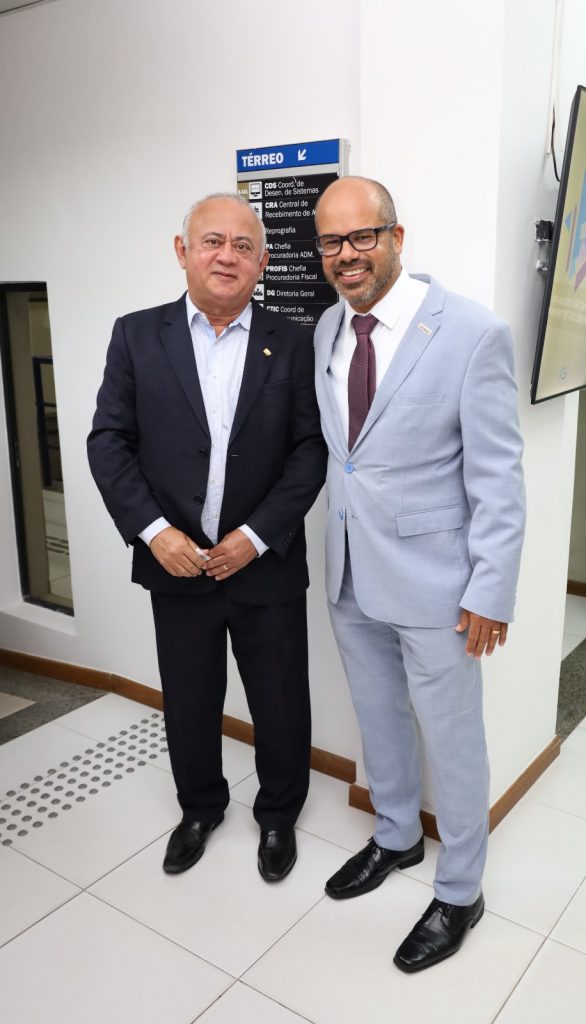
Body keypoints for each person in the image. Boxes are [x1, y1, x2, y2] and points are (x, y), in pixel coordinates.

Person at [313, 177, 525, 972]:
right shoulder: (327, 328)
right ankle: (397, 836)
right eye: (331, 242)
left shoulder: (472, 332)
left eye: (361, 236)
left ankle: (461, 889)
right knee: (379, 719)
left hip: (440, 586)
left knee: (453, 739)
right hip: (351, 573)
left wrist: (490, 588)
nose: (346, 255)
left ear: (396, 237)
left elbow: (498, 476)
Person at [88, 193, 327, 882]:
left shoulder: (295, 340)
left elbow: (310, 450)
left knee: (280, 700)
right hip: (177, 564)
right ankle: (199, 809)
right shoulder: (137, 335)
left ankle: (278, 815)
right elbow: (109, 442)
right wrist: (154, 532)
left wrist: (257, 536)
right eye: (213, 241)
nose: (227, 256)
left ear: (263, 261)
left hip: (264, 564)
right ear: (183, 251)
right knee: (189, 698)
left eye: (243, 246)